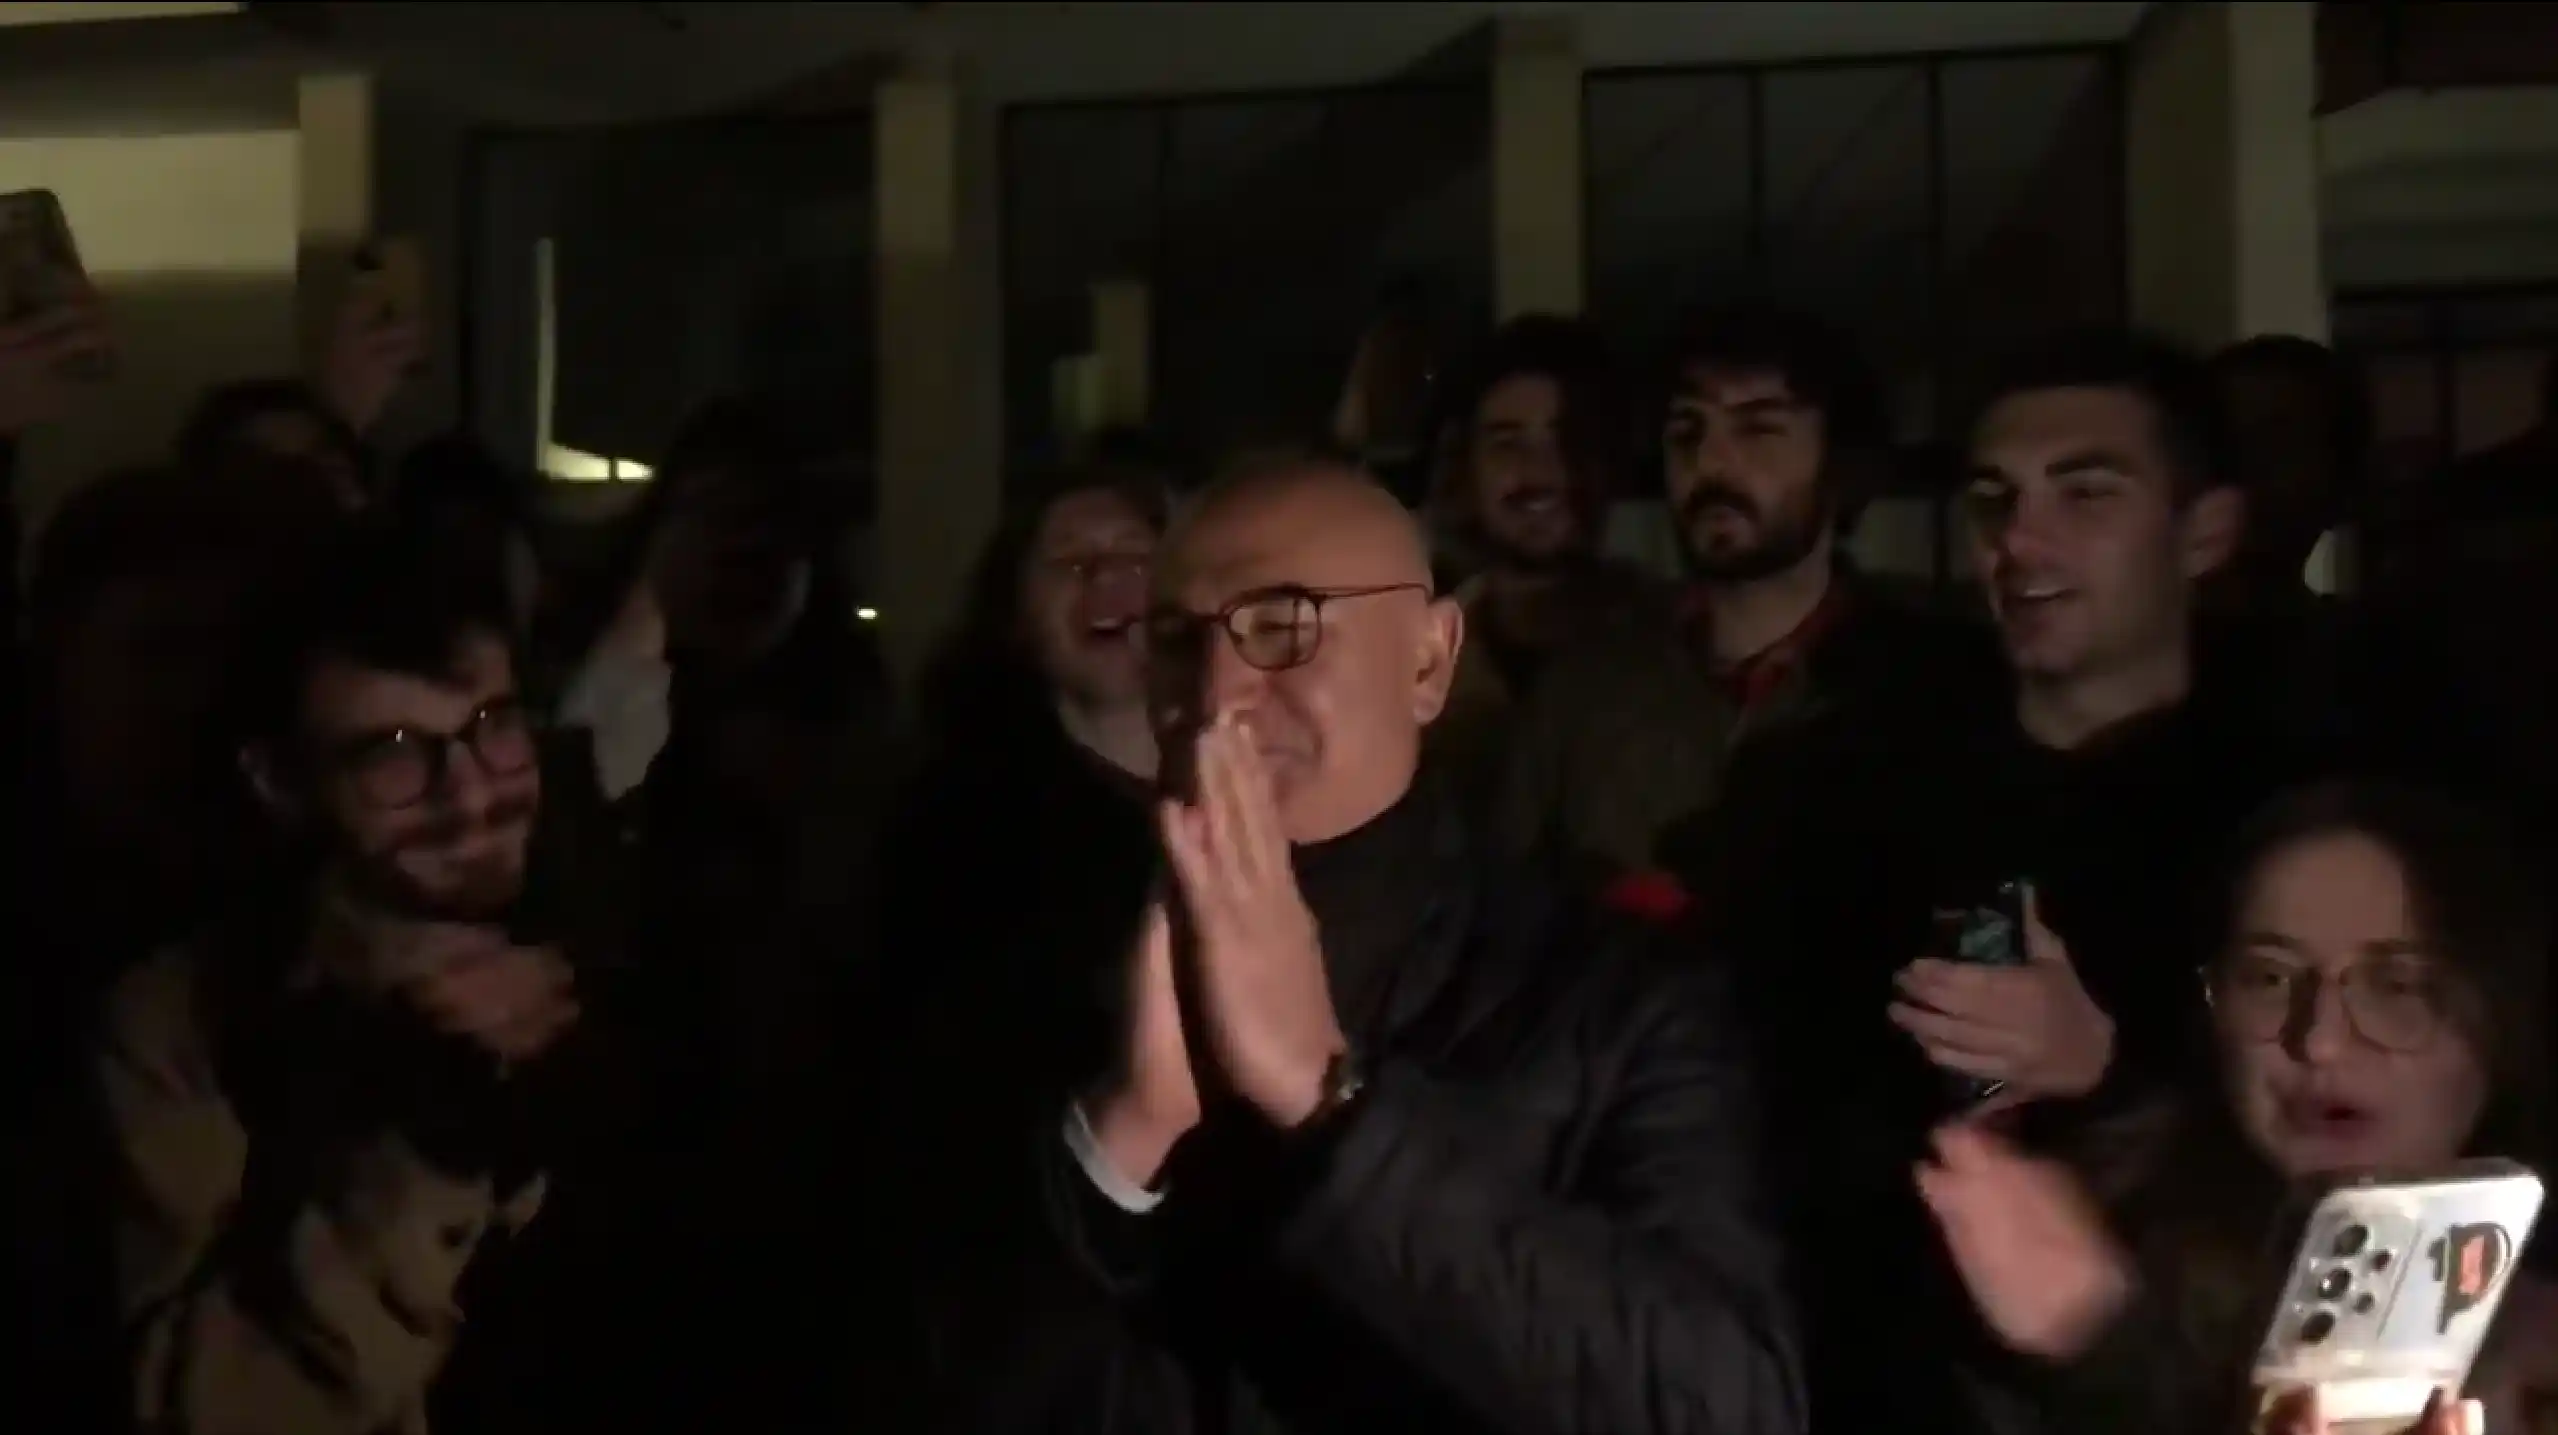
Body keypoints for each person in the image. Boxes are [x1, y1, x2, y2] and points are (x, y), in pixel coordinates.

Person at [918, 450, 1801, 1435]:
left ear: (1427, 660)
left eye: (1282, 627)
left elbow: (1728, 1403)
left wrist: (1330, 1104)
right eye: (1177, 640)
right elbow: (942, 1376)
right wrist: (1123, 1141)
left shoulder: (1615, 996)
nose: (1218, 693)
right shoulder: (1050, 970)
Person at [91, 520, 593, 1435]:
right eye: (395, 753)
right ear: (282, 782)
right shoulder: (191, 1017)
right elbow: (201, 1408)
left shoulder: (634, 928)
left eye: (494, 726)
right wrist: (420, 1152)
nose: (472, 796)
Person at [1923, 780, 2556, 1435]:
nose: (2318, 1040)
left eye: (2398, 985)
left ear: (2500, 1018)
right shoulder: (2061, 1253)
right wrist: (2105, 1343)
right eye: (2269, 977)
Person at [1495, 302, 1980, 886]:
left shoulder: (1932, 685)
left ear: (1842, 467)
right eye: (1686, 430)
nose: (1710, 461)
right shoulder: (1584, 692)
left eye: (1758, 429)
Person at [1423, 315, 1661, 812]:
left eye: (1570, 441)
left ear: (1612, 463)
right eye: (1507, 443)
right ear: (1467, 469)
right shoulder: (1413, 669)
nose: (1540, 471)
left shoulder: (1680, 647)